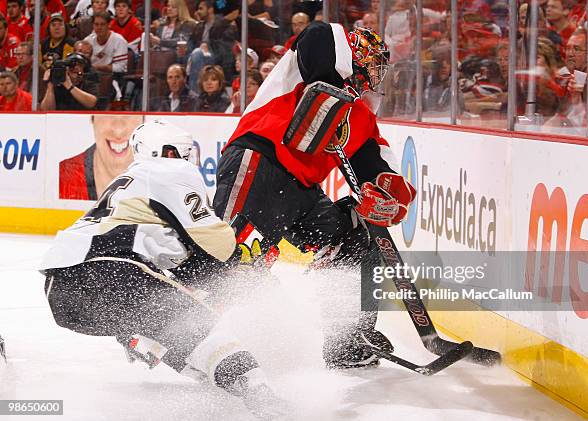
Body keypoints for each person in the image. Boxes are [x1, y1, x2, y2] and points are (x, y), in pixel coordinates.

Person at [42, 120, 285, 419]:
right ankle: (261, 395)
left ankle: (216, 373)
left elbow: (170, 254)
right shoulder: (170, 169)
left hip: (62, 292)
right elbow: (216, 241)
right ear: (174, 152)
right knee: (196, 323)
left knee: (166, 328)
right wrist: (239, 259)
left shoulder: (130, 183)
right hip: (111, 271)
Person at [213, 23, 416, 369]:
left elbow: (377, 167)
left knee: (358, 234)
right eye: (374, 62)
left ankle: (346, 340)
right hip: (259, 161)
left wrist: (387, 196)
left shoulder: (361, 117)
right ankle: (186, 334)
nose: (378, 73)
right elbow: (319, 45)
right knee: (229, 259)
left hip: (302, 193)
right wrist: (343, 84)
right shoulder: (320, 47)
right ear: (356, 53)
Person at [59, 114, 142, 200]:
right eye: (107, 113)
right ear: (92, 118)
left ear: (143, 119)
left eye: (129, 113)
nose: (118, 130)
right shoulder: (61, 177)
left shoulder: (155, 181)